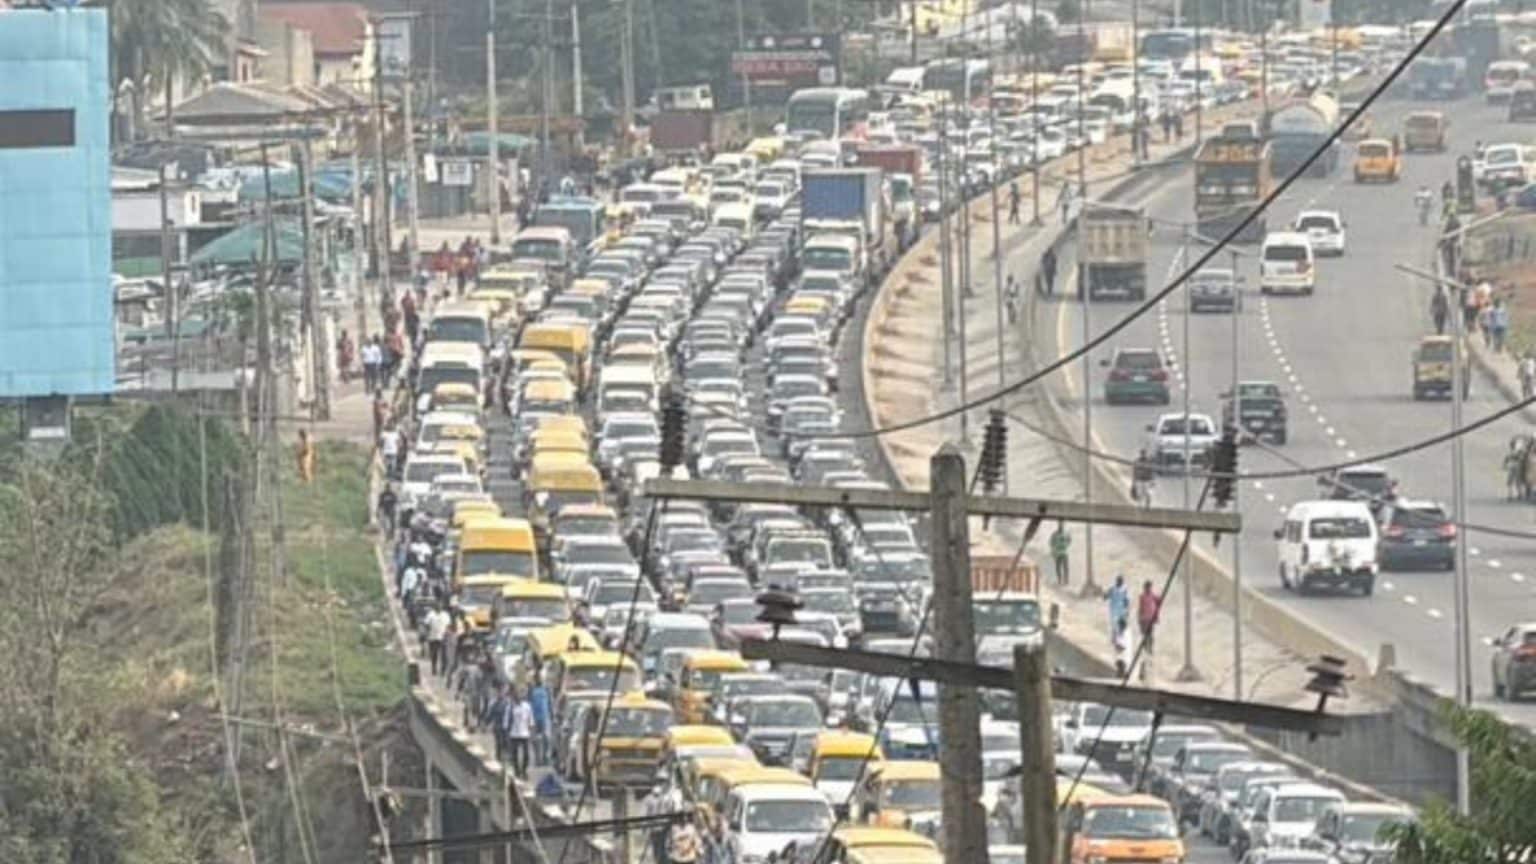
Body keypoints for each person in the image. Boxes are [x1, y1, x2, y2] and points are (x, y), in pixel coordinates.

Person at [482, 686, 513, 763]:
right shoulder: (495, 704)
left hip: (507, 728)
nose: (500, 694)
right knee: (499, 743)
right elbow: (490, 715)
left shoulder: (508, 703)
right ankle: (499, 759)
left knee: (507, 744)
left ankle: (508, 759)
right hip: (498, 727)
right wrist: (485, 724)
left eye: (502, 692)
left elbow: (512, 715)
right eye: (499, 693)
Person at [507, 689, 533, 778]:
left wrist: (531, 728)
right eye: (516, 696)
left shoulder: (527, 706)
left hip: (524, 733)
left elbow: (530, 718)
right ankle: (517, 771)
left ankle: (524, 770)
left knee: (526, 754)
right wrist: (506, 730)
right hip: (514, 733)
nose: (518, 698)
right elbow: (507, 720)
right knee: (514, 754)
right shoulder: (510, 707)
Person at [529, 672, 553, 766]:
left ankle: (545, 757)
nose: (539, 681)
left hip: (545, 716)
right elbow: (528, 703)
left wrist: (552, 714)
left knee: (546, 738)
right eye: (537, 679)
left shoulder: (546, 689)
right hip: (534, 717)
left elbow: (550, 702)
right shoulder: (531, 690)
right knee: (535, 739)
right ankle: (537, 758)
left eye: (540, 679)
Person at [425, 604, 451, 676]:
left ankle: (443, 670)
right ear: (435, 608)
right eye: (437, 607)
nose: (438, 608)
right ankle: (434, 668)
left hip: (443, 638)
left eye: (440, 607)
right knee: (434, 654)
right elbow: (426, 624)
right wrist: (429, 632)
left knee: (444, 656)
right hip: (433, 638)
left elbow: (449, 626)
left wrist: (447, 634)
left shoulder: (446, 615)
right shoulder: (431, 615)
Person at [1136, 581, 1161, 655]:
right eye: (1146, 587)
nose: (1148, 589)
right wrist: (1139, 618)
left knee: (1150, 635)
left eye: (1149, 587)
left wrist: (1156, 617)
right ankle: (1145, 647)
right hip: (1144, 618)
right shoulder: (1142, 596)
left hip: (1150, 619)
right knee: (1144, 634)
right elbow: (1140, 608)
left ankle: (1150, 648)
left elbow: (1158, 603)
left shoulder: (1153, 596)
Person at [1106, 574, 1130, 639]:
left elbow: (1126, 600)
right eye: (1119, 581)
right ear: (1116, 581)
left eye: (1121, 581)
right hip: (1113, 610)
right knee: (1114, 625)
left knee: (1122, 624)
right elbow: (1106, 596)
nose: (1120, 582)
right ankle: (1114, 637)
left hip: (1122, 609)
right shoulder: (1112, 588)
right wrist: (1106, 594)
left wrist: (1127, 610)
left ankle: (1120, 636)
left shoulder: (1125, 589)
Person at [1049, 521, 1071, 586]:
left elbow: (1069, 540)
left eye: (1062, 525)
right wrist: (1053, 551)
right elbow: (1051, 543)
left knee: (1065, 567)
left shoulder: (1066, 533)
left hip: (1064, 553)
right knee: (1058, 567)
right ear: (1058, 525)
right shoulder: (1055, 534)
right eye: (1060, 525)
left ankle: (1066, 581)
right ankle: (1059, 580)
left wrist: (1066, 545)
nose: (1061, 526)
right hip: (1058, 553)